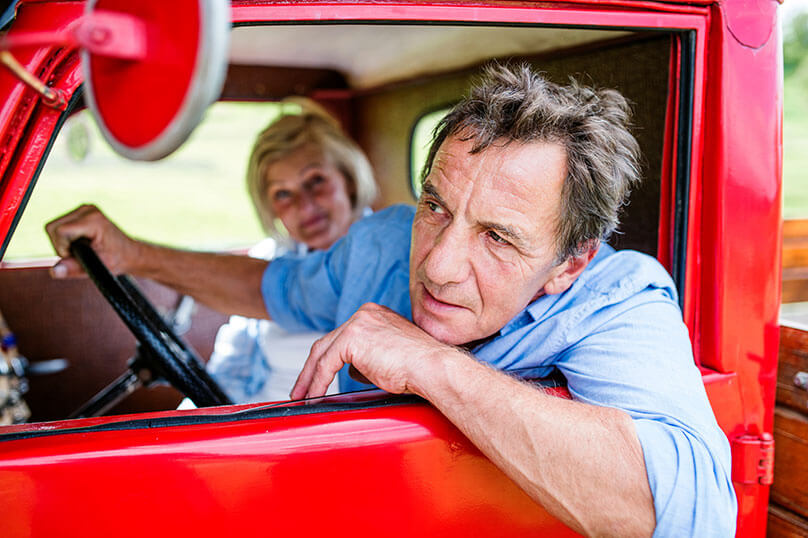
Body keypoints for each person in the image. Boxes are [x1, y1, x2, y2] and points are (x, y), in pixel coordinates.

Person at [46, 64, 736, 536]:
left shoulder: (617, 299)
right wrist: (132, 252)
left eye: (497, 237)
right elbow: (271, 288)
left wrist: (429, 364)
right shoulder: (380, 242)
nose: (436, 266)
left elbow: (695, 513)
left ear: (568, 262)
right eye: (436, 205)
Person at [203, 98, 377, 403]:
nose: (305, 206)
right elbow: (228, 369)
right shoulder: (267, 259)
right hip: (253, 432)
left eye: (315, 180)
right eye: (283, 193)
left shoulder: (388, 259)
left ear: (348, 179)